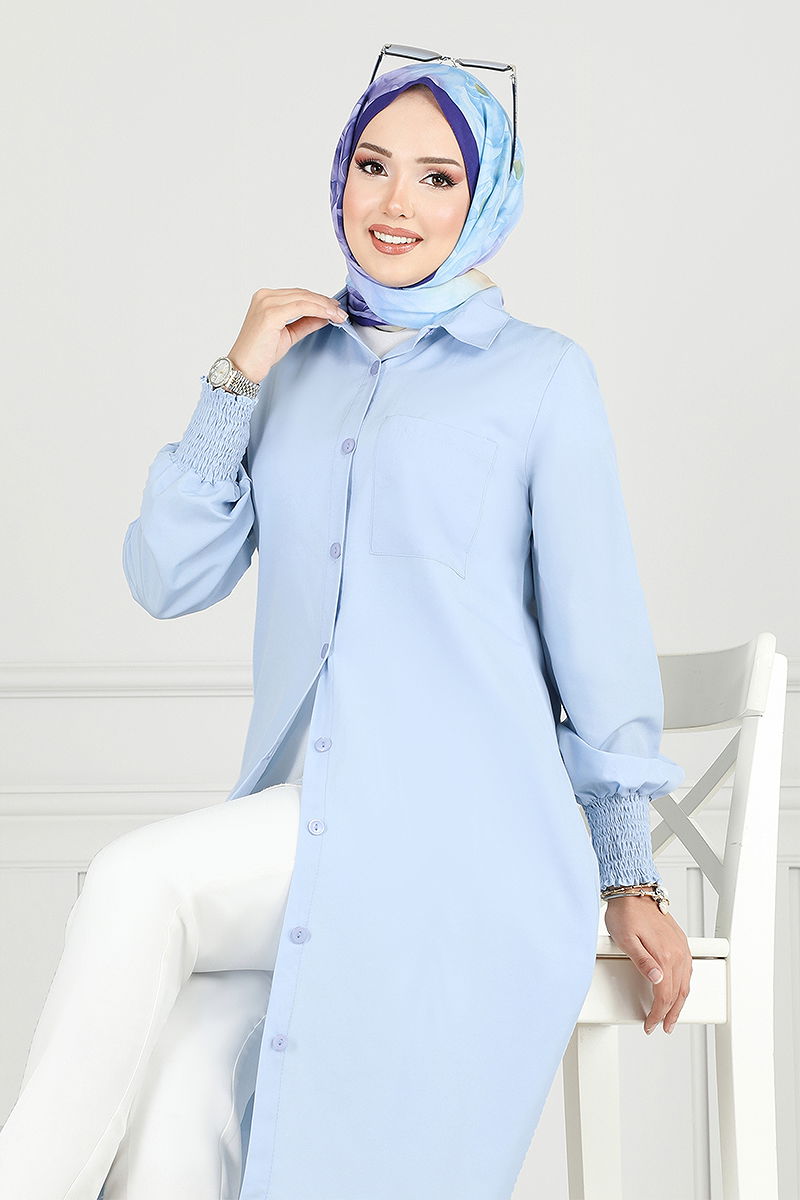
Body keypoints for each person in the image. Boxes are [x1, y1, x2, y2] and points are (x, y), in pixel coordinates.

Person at [0, 58, 692, 1200]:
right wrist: (233, 380)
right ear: (339, 177)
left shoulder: (541, 379)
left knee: (133, 880)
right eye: (372, 166)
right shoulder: (293, 367)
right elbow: (166, 578)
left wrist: (629, 877)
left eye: (436, 177)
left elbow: (598, 640)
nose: (394, 203)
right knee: (180, 1075)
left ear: (485, 200)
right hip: (310, 815)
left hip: (465, 827)